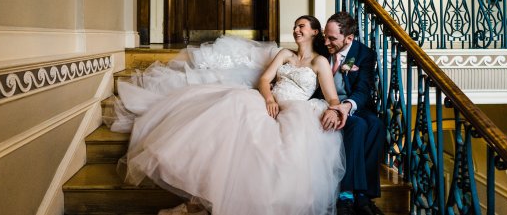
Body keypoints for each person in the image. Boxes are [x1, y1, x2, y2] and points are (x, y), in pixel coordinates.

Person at [112, 15, 346, 215]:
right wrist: (269, 99)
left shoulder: (319, 61)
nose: (296, 30)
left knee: (275, 151)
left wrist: (337, 111)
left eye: (301, 26)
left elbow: (332, 97)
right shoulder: (285, 54)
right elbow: (265, 80)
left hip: (295, 111)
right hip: (268, 103)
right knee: (230, 109)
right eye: (295, 26)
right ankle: (202, 199)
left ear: (315, 32)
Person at [319, 12, 385, 215]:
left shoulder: (364, 54)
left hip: (352, 103)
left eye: (332, 38)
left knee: (376, 124)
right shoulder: (321, 49)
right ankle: (347, 195)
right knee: (360, 125)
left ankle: (364, 194)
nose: (326, 42)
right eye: (325, 36)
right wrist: (333, 107)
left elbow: (363, 88)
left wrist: (346, 106)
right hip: (324, 101)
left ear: (349, 38)